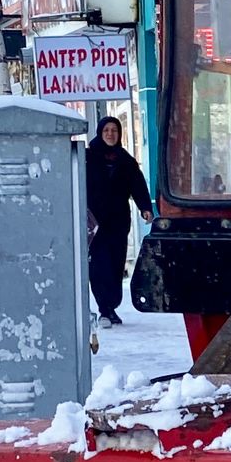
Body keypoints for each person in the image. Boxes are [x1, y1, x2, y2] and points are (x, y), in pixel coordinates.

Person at [85, 115, 152, 326]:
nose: (110, 134)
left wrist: (145, 208)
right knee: (99, 265)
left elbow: (138, 185)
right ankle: (104, 309)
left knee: (116, 263)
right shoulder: (88, 157)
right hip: (94, 223)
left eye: (114, 130)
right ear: (100, 132)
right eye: (106, 130)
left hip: (118, 222)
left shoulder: (125, 160)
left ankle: (112, 304)